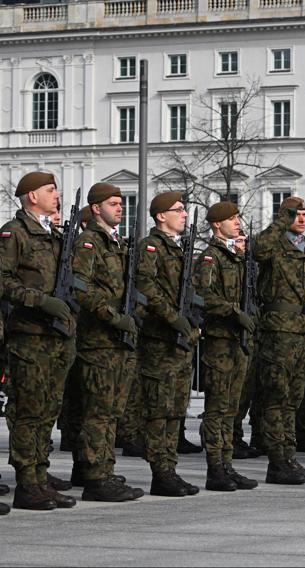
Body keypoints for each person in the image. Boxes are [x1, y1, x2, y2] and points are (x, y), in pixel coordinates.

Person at [0, 172, 78, 511]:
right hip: (29, 337)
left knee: (48, 412)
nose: (56, 195)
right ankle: (26, 483)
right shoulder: (13, 233)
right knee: (28, 412)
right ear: (32, 196)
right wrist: (39, 301)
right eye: (50, 190)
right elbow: (2, 280)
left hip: (56, 337)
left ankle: (41, 478)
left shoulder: (53, 235)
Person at [70, 182, 144, 502]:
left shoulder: (117, 243)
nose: (120, 208)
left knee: (113, 411)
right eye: (113, 203)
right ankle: (95, 477)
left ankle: (105, 469)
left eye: (120, 203)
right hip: (99, 340)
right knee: (98, 411)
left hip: (118, 341)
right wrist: (114, 317)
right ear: (96, 208)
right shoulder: (90, 242)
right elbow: (81, 289)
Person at [135, 192, 202, 497]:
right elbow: (146, 286)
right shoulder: (150, 246)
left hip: (180, 341)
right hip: (160, 340)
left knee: (177, 409)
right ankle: (160, 472)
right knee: (159, 409)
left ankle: (169, 468)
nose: (184, 214)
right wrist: (174, 318)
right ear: (161, 216)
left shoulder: (178, 249)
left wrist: (193, 318)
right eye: (178, 210)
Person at [253, 197, 305, 485]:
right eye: (296, 215)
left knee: (293, 400)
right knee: (276, 398)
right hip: (279, 332)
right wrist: (281, 220)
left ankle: (289, 457)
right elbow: (257, 250)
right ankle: (277, 461)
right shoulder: (274, 244)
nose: (302, 219)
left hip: (303, 332)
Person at [193, 201, 258, 491]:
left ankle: (227, 463)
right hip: (220, 341)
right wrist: (233, 312)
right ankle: (215, 467)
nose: (237, 223)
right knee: (217, 407)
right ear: (217, 224)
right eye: (232, 219)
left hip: (238, 342)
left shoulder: (237, 258)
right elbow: (203, 295)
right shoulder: (211, 258)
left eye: (237, 218)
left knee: (232, 408)